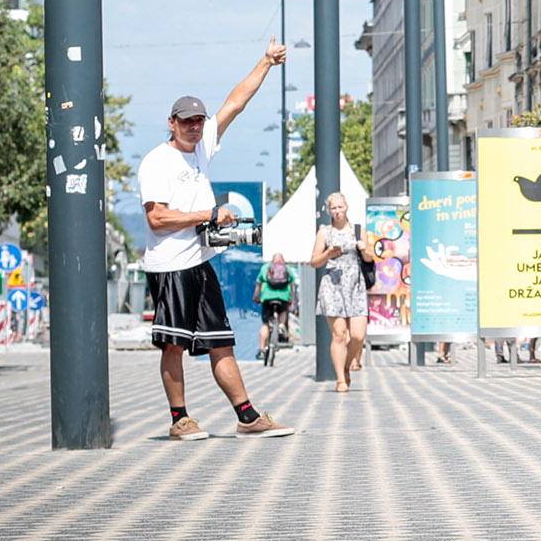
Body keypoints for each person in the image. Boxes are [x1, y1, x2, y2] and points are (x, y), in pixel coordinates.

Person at [141, 41, 297, 442]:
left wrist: (265, 62)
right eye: (186, 121)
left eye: (199, 121)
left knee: (221, 341)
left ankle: (246, 416)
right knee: (173, 346)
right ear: (172, 122)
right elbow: (156, 218)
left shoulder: (201, 149)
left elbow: (235, 103)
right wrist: (208, 215)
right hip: (170, 265)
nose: (194, 126)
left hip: (199, 263)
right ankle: (180, 419)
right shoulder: (157, 161)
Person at [310, 192, 370, 392]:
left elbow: (370, 258)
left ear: (346, 207)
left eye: (340, 207)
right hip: (333, 285)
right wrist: (328, 253)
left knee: (358, 335)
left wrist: (364, 249)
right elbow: (314, 262)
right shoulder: (324, 232)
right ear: (329, 211)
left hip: (356, 285)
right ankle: (340, 380)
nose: (337, 211)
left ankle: (346, 366)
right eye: (333, 208)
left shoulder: (358, 230)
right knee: (339, 334)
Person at [255, 253, 294, 359]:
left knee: (265, 324)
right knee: (283, 312)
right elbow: (291, 284)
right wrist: (291, 299)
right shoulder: (287, 268)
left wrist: (256, 296)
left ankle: (262, 350)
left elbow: (259, 283)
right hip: (283, 297)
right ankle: (281, 326)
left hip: (268, 297)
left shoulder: (266, 268)